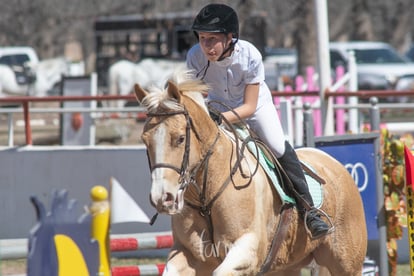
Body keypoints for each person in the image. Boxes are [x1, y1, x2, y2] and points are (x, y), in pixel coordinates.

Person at [186, 3, 330, 240]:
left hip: (254, 108)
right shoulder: (194, 57)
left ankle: (310, 212)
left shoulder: (250, 54)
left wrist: (217, 119)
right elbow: (192, 96)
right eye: (202, 38)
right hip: (216, 106)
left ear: (230, 37)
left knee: (276, 145)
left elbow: (249, 106)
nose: (206, 46)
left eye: (213, 39)